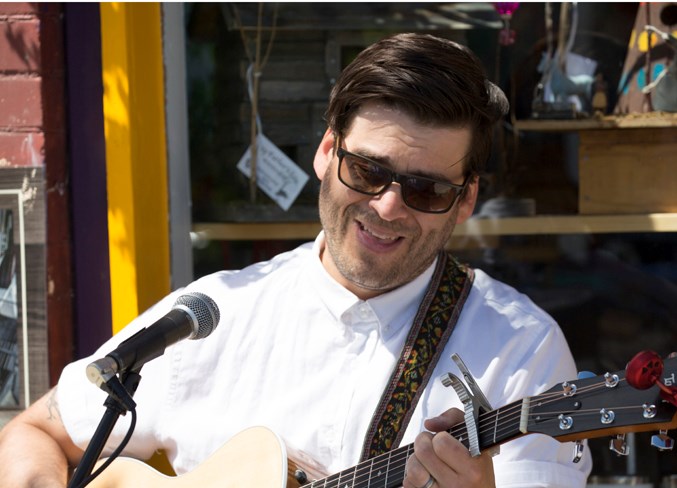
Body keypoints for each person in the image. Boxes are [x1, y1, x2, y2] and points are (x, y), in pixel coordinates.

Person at [0, 33, 592, 487]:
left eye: (426, 190)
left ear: (465, 200)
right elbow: (36, 431)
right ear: (328, 151)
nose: (387, 207)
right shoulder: (216, 315)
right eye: (367, 171)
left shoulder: (521, 353)